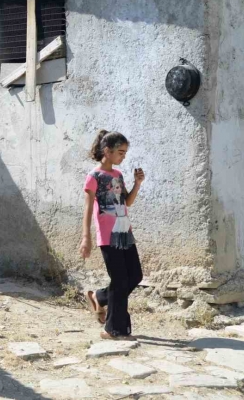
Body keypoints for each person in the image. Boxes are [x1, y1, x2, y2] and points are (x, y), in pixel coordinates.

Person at [80, 130, 145, 340]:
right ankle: (113, 329)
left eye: (125, 153)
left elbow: (126, 202)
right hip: (108, 236)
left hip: (125, 232)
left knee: (135, 276)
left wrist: (137, 183)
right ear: (107, 151)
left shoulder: (118, 175)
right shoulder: (94, 177)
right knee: (120, 280)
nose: (123, 157)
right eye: (120, 152)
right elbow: (88, 209)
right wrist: (86, 238)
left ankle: (99, 297)